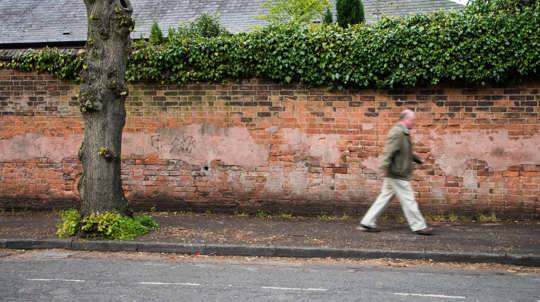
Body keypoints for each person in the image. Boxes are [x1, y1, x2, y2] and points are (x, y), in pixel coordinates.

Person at [358, 109, 434, 235]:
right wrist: (384, 167)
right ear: (406, 119)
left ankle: (367, 222)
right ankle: (419, 226)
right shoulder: (398, 132)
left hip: (395, 172)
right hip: (397, 173)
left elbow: (405, 152)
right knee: (409, 200)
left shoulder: (403, 132)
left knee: (384, 198)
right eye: (412, 120)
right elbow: (389, 151)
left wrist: (418, 159)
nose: (413, 123)